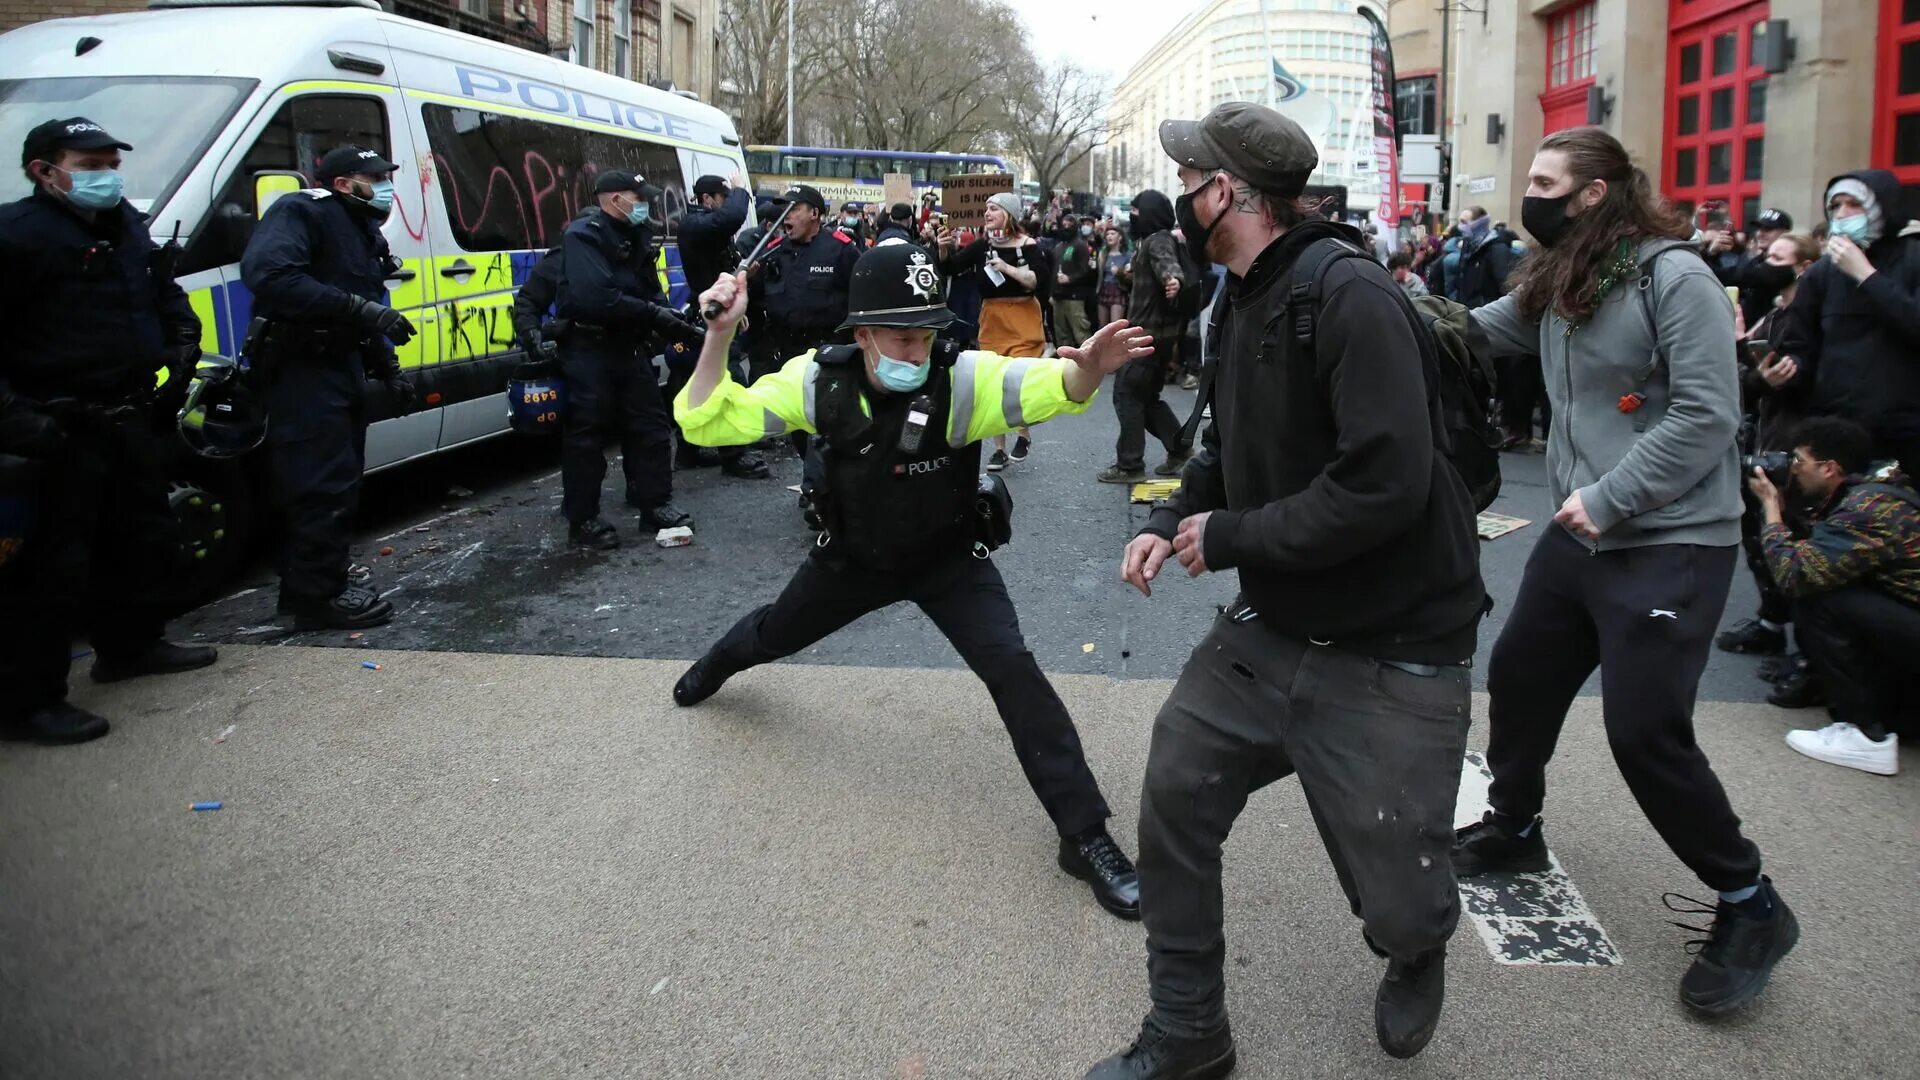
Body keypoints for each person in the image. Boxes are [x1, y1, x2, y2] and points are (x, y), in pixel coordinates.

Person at [1085, 103, 1485, 1079]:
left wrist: (1227, 537)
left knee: (1397, 899)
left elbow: (1386, 485)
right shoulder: (1240, 295)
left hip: (1396, 643)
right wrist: (1164, 516)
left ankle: (1416, 943)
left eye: (1189, 178)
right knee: (1175, 793)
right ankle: (1189, 1036)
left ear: (1226, 191)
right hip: (1273, 628)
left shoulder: (1349, 296)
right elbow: (1227, 448)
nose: (1179, 195)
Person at [669, 243, 1156, 919]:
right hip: (851, 561)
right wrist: (720, 335)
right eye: (902, 336)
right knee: (775, 633)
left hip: (948, 561)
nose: (919, 349)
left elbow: (1051, 389)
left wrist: (1088, 375)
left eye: (928, 334)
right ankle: (717, 664)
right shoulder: (818, 380)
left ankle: (1084, 835)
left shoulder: (964, 380)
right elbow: (706, 418)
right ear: (862, 333)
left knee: (1013, 669)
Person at [1458, 126, 1797, 1018]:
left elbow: (1708, 415)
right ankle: (1515, 827)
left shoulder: (1672, 276)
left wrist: (1610, 497)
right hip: (1584, 534)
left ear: (1595, 192)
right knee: (1521, 677)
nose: (1527, 196)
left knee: (1645, 733)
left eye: (1542, 181)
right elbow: (1476, 332)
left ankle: (1748, 901)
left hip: (1670, 540)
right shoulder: (1563, 274)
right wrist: (1367, 295)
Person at [0, 115, 217, 744]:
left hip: (126, 414)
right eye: (91, 165)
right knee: (51, 566)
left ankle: (130, 646)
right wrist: (23, 425)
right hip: (56, 423)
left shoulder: (124, 226)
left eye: (112, 164)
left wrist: (181, 344)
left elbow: (160, 292)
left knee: (137, 538)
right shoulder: (18, 236)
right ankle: (28, 702)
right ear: (46, 171)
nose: (108, 176)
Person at [242, 144, 420, 629]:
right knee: (317, 486)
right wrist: (362, 312)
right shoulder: (302, 211)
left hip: (340, 366)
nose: (385, 187)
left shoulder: (362, 231)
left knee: (339, 483)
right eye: (375, 178)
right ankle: (312, 600)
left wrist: (388, 369)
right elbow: (271, 275)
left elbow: (366, 305)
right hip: (302, 369)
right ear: (343, 183)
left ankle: (325, 579)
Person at [1745, 416, 1917, 775]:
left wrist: (1772, 510)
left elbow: (1794, 575)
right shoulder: (1878, 486)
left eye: (1798, 461)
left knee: (1821, 597)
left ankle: (1866, 737)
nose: (1791, 469)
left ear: (1829, 469)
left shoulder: (1865, 511)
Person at [551, 170, 698, 550]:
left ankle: (655, 505)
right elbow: (595, 297)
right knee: (587, 437)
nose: (644, 205)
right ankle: (583, 520)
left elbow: (651, 289)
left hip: (629, 348)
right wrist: (653, 315)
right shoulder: (583, 235)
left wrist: (673, 322)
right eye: (638, 198)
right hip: (589, 348)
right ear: (615, 199)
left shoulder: (637, 237)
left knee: (650, 427)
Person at [1716, 231, 1825, 662]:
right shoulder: (1775, 312)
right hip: (1766, 433)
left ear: (1804, 266)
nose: (1765, 262)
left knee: (1791, 534)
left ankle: (1806, 648)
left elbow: (1788, 380)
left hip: (1795, 440)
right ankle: (1770, 622)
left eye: (1778, 256)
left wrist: (1756, 370)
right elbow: (1750, 380)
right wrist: (1742, 344)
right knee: (1759, 536)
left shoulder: (1811, 317)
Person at [1772, 170, 1920, 474]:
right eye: (1835, 206)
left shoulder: (1913, 258)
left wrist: (1866, 276)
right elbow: (1802, 347)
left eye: (1854, 204)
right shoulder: (1821, 274)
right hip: (1836, 430)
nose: (1842, 214)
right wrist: (1784, 371)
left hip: (1903, 432)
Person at [937, 192, 1050, 471]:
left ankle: (1023, 433)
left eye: (994, 209)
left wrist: (1007, 267)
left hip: (1023, 316)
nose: (987, 213)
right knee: (994, 381)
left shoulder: (1029, 245)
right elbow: (951, 266)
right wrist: (942, 248)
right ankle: (998, 449)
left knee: (1021, 379)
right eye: (986, 209)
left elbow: (1037, 281)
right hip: (992, 318)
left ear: (1009, 215)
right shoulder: (980, 246)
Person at [668, 172, 768, 480]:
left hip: (718, 310)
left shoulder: (705, 229)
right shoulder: (695, 224)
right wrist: (740, 190)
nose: (726, 205)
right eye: (723, 198)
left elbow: (722, 262)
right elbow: (732, 218)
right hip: (709, 314)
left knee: (696, 380)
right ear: (708, 199)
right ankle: (734, 455)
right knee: (729, 380)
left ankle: (689, 450)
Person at [1099, 191, 1189, 484]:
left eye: (1136, 211)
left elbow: (1168, 266)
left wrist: (1173, 280)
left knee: (1127, 395)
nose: (1132, 217)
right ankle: (1180, 449)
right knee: (1147, 398)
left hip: (1146, 337)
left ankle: (1129, 465)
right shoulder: (1152, 240)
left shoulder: (1159, 240)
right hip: (1157, 335)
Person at [751, 184, 861, 379]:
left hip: (823, 357)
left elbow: (859, 300)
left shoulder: (841, 250)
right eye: (784, 209)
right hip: (779, 357)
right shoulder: (772, 251)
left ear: (814, 213)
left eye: (793, 209)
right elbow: (755, 298)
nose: (786, 215)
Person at [1708, 208, 1795, 328]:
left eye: (1768, 229)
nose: (1760, 233)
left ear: (1785, 233)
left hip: (1769, 339)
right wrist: (1712, 254)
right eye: (1759, 228)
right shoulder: (1756, 260)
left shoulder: (1786, 266)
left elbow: (1734, 276)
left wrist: (1707, 256)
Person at [1098, 226, 1130, 327]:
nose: (1109, 236)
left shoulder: (1127, 256)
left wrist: (1119, 272)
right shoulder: (1103, 254)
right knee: (1102, 327)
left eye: (1112, 234)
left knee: (1115, 326)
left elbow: (1129, 275)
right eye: (1107, 234)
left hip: (1118, 290)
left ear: (1120, 237)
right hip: (1104, 289)